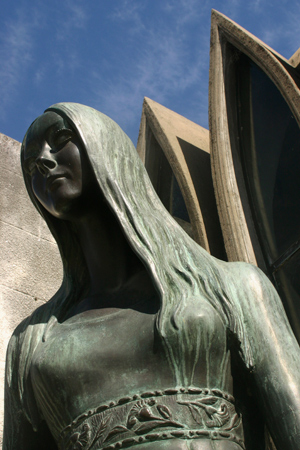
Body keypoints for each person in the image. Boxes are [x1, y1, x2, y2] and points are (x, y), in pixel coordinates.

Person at [3, 103, 300, 450]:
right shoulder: (33, 342)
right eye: (30, 163)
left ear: (104, 146)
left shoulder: (232, 287)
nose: (43, 160)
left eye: (61, 138)